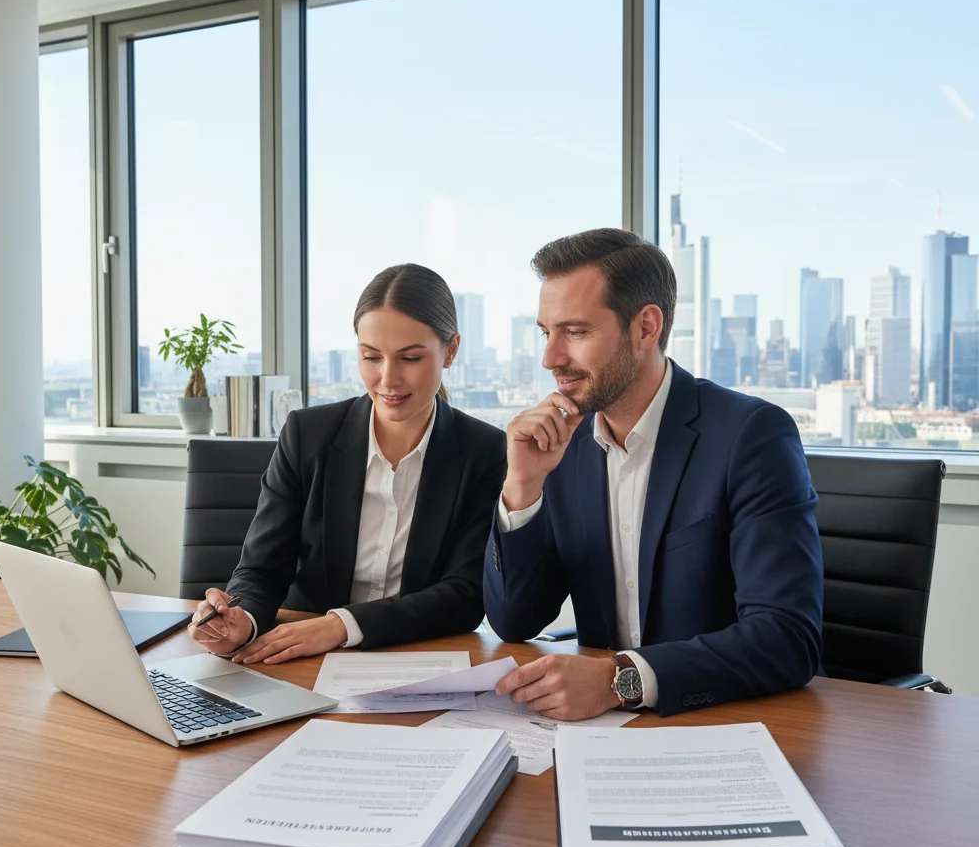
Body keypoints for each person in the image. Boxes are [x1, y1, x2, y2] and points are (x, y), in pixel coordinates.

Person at [486, 228, 823, 719]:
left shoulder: (750, 435)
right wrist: (522, 487)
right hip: (602, 731)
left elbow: (786, 637)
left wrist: (617, 679)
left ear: (645, 327)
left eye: (575, 332)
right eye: (546, 332)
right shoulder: (561, 446)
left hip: (723, 723)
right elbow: (515, 620)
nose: (550, 358)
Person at [188, 263, 507, 664]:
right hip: (304, 658)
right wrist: (243, 620)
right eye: (371, 357)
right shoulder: (308, 434)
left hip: (418, 657)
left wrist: (341, 625)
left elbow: (464, 594)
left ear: (451, 350)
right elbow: (261, 568)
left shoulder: (484, 450)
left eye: (409, 358)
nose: (387, 380)